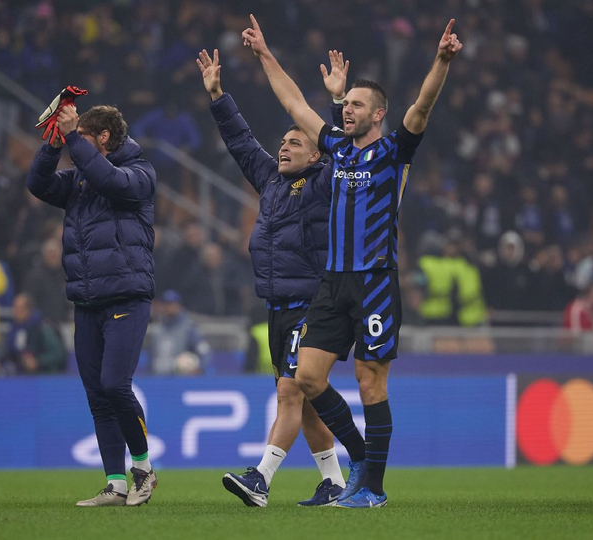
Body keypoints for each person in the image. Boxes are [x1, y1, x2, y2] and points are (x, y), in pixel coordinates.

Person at [242, 15, 462, 508]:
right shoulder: (337, 150)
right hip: (332, 282)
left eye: (357, 105)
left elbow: (423, 104)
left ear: (378, 114)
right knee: (307, 377)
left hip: (374, 281)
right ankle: (362, 458)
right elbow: (294, 103)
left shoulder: (394, 151)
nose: (347, 110)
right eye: (346, 104)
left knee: (369, 381)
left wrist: (441, 61)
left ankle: (374, 489)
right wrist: (264, 54)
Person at [197, 47, 348, 506]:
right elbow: (241, 142)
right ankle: (335, 482)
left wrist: (337, 104)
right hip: (277, 308)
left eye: (295, 143)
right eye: (282, 142)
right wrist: (218, 96)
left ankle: (260, 479)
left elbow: (342, 149)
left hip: (311, 305)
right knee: (305, 403)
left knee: (289, 391)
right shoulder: (271, 182)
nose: (284, 147)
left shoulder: (323, 182)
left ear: (317, 154)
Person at [26, 103, 158, 507]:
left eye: (82, 135)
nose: (75, 143)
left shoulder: (139, 172)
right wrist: (53, 145)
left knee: (115, 385)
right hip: (86, 300)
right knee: (98, 396)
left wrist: (71, 138)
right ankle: (115, 484)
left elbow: (110, 180)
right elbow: (37, 184)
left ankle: (144, 470)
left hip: (126, 296)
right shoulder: (79, 179)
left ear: (104, 137)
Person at [0, 293, 66, 376]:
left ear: (28, 310)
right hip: (19, 375)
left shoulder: (42, 328)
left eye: (19, 308)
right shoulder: (13, 330)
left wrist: (38, 362)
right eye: (14, 307)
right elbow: (5, 349)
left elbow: (58, 353)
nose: (15, 311)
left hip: (44, 375)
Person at [150, 289, 212, 375]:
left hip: (180, 378)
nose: (170, 308)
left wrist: (198, 368)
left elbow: (204, 351)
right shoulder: (158, 330)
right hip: (158, 377)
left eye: (173, 304)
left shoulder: (188, 328)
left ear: (179, 305)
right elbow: (152, 359)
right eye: (167, 304)